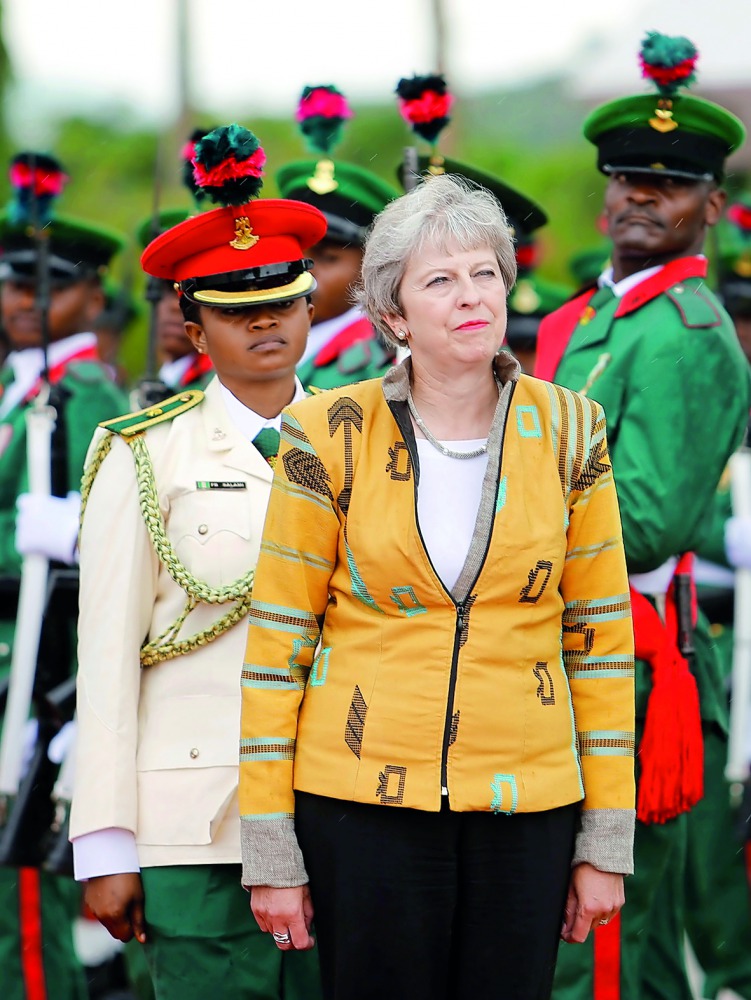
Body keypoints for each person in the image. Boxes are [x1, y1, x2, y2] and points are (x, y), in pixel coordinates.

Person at [239, 173, 636, 1000]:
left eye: (484, 272)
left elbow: (599, 641)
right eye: (439, 280)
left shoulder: (571, 428)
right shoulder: (324, 431)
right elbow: (278, 648)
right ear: (392, 314)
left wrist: (604, 841)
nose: (470, 297)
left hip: (525, 808)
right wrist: (271, 846)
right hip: (358, 805)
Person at [69, 124, 324, 1000]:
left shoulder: (368, 439)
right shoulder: (144, 454)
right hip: (195, 823)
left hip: (341, 808)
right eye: (233, 307)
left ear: (309, 307)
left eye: (281, 302)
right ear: (190, 323)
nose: (263, 322)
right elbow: (104, 658)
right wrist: (104, 841)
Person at [534, 32, 751, 1000]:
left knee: (601, 948)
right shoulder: (602, 319)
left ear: (714, 207)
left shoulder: (687, 334)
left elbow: (651, 523)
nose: (640, 197)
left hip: (620, 660)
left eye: (669, 186)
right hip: (571, 644)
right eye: (626, 177)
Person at [0, 149, 127, 1000]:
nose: (17, 302)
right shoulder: (21, 387)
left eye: (39, 285)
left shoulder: (80, 390)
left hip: (44, 667)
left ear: (88, 296)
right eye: (9, 284)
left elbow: (106, 525)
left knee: (28, 908)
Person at [277, 84, 400, 389]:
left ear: (368, 267)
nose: (305, 273)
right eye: (296, 258)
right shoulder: (261, 347)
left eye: (328, 258)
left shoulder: (383, 363)